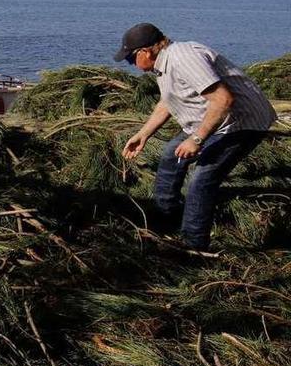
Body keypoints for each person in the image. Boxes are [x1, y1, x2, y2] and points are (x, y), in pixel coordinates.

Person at [116, 23, 276, 250]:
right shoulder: (163, 65)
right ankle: (166, 220)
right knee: (171, 156)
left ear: (146, 51)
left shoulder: (183, 58)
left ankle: (194, 246)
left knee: (202, 179)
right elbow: (167, 102)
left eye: (131, 60)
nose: (131, 65)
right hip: (211, 119)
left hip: (241, 122)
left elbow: (223, 100)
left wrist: (197, 140)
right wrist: (143, 135)